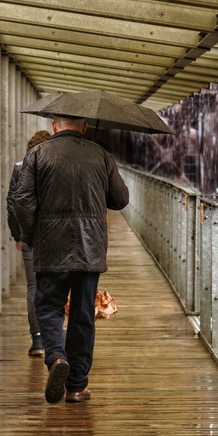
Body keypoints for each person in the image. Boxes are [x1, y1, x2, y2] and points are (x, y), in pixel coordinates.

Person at [13, 115, 129, 404]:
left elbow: (22, 200)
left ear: (54, 125)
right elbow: (120, 199)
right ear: (85, 126)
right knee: (82, 314)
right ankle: (77, 385)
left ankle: (56, 357)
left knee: (48, 306)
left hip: (51, 246)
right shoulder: (101, 155)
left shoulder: (38, 154)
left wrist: (31, 236)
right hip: (90, 248)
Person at [6, 129, 52, 357]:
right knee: (54, 285)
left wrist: (18, 235)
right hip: (54, 235)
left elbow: (12, 203)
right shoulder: (56, 166)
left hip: (29, 236)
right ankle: (55, 337)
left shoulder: (19, 167)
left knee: (33, 287)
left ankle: (38, 340)